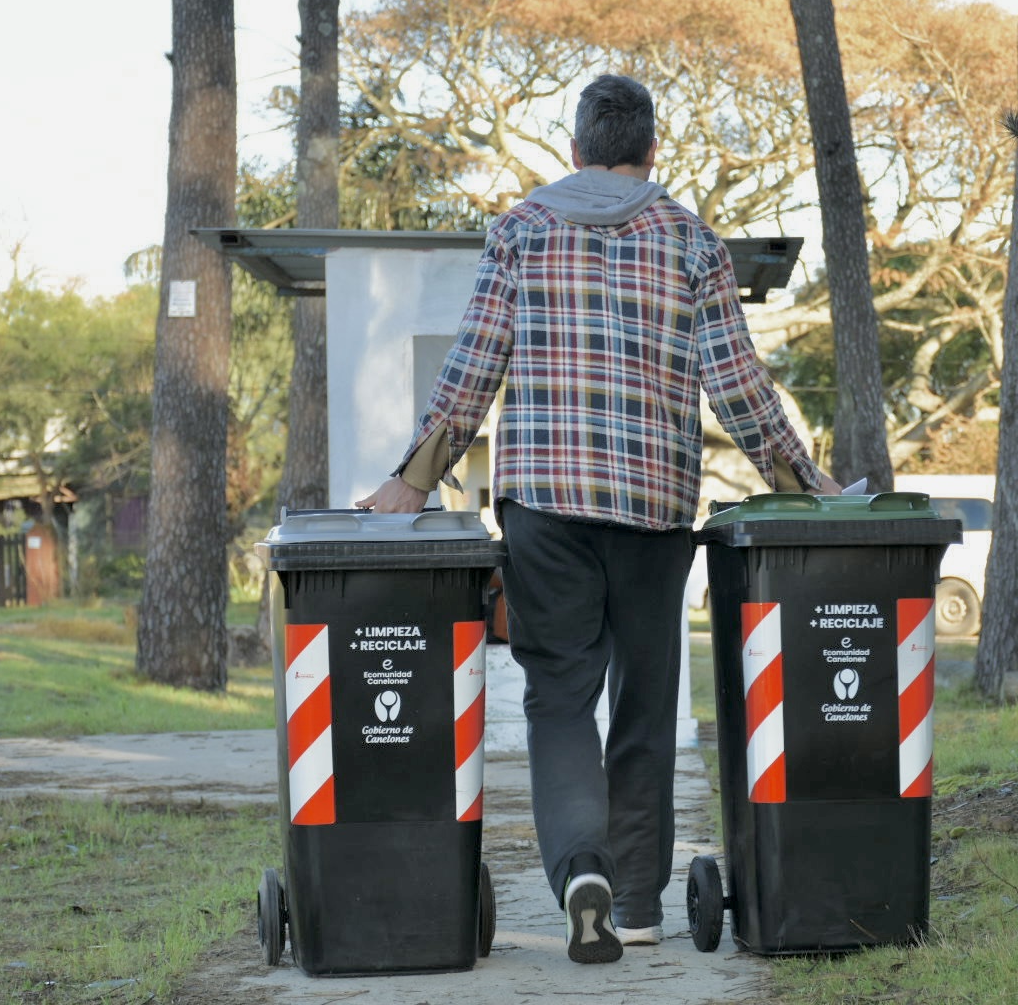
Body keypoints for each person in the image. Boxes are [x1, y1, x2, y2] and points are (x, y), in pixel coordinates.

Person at [357, 73, 839, 964]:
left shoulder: (522, 230)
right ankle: (642, 901)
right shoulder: (690, 237)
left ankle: (582, 869)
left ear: (574, 148)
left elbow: (476, 363)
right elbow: (736, 382)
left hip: (543, 507)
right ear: (651, 150)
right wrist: (800, 477)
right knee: (648, 704)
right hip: (655, 511)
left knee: (559, 699)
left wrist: (414, 479)